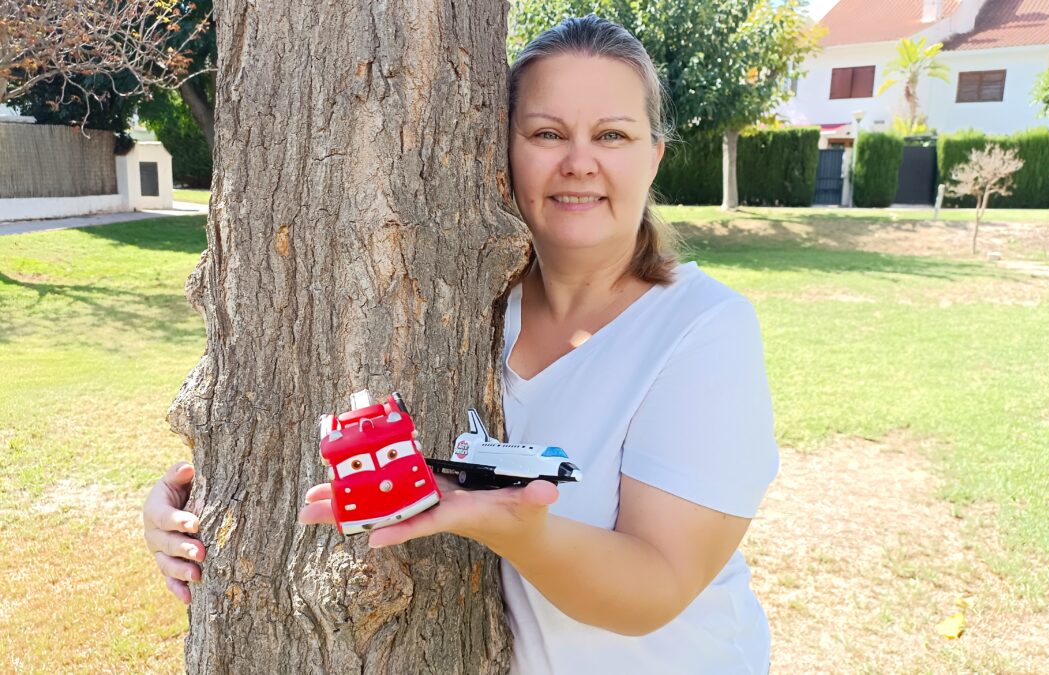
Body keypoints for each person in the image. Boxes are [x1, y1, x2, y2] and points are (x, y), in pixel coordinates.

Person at [142, 15, 779, 674]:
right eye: (546, 133)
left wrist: (513, 528)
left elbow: (657, 586)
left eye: (612, 134)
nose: (579, 162)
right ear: (501, 149)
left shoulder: (703, 328)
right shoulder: (457, 310)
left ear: (655, 155)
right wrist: (196, 506)